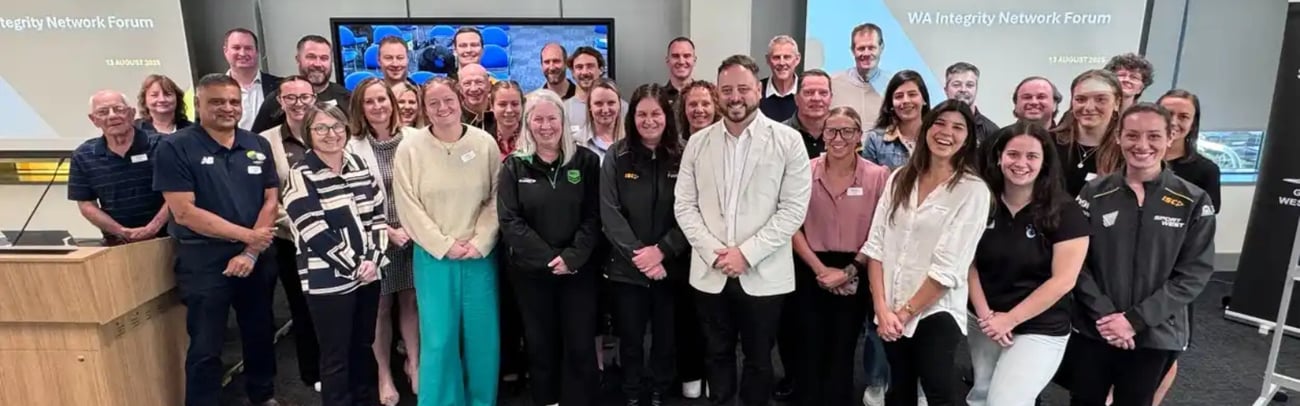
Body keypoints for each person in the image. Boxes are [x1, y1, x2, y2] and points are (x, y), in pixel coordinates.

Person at [673, 54, 812, 406]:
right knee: (716, 354)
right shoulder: (698, 143)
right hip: (710, 271)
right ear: (718, 93)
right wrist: (715, 253)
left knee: (759, 359)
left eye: (743, 89)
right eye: (727, 90)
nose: (735, 97)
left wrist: (746, 255)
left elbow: (792, 210)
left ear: (758, 91)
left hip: (764, 272)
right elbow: (684, 205)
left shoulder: (788, 140)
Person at [1066, 102, 1216, 406]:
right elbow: (1076, 262)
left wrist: (1134, 320)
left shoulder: (1193, 200)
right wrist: (1105, 314)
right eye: (1132, 135)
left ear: (1170, 137)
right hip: (1095, 327)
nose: (1142, 145)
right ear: (1118, 137)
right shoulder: (1094, 193)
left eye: (1154, 136)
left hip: (1155, 332)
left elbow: (1193, 273)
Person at [152, 73, 282, 406]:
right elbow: (184, 212)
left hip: (255, 259)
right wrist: (248, 237)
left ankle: (262, 396)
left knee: (260, 333)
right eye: (217, 102)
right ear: (198, 105)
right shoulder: (175, 147)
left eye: (234, 102)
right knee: (207, 344)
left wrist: (250, 251)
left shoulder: (257, 144)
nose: (227, 108)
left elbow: (271, 200)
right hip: (204, 261)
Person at [857, 100, 991, 406]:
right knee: (899, 388)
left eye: (958, 127)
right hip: (890, 305)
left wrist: (903, 314)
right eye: (940, 123)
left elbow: (949, 268)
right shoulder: (900, 178)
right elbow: (876, 245)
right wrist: (881, 309)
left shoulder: (973, 191)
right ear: (927, 128)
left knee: (938, 389)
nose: (946, 132)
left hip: (936, 309)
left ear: (968, 138)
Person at [393, 76, 502, 406]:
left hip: (478, 256)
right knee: (439, 339)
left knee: (482, 338)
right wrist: (443, 245)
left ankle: (481, 400)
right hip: (434, 258)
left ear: (460, 101)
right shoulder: (410, 149)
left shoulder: (484, 144)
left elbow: (497, 198)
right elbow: (408, 205)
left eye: (448, 100)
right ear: (424, 109)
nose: (442, 108)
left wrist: (480, 241)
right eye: (433, 103)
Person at [965, 122, 1088, 406]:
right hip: (984, 318)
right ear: (999, 157)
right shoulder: (982, 201)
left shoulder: (1065, 211)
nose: (1021, 163)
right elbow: (968, 263)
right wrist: (986, 317)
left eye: (1032, 156)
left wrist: (1009, 320)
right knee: (981, 394)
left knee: (1006, 401)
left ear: (1045, 162)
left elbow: (1064, 280)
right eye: (1013, 154)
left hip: (1039, 325)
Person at [497, 88, 603, 406]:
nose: (546, 126)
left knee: (580, 343)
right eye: (538, 119)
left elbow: (594, 216)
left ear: (563, 120)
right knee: (540, 344)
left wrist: (571, 258)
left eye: (552, 118)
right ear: (528, 123)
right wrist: (549, 258)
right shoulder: (515, 165)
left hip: (578, 271)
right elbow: (510, 221)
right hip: (531, 274)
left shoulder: (586, 161)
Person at [282, 103, 388, 406]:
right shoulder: (301, 174)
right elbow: (313, 230)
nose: (331, 134)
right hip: (327, 281)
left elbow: (378, 216)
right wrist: (355, 265)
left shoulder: (358, 165)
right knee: (335, 357)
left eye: (337, 126)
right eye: (321, 128)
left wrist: (373, 260)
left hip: (369, 275)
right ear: (309, 133)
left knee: (363, 348)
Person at [788, 106, 889, 406]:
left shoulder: (878, 176)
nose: (839, 138)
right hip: (809, 266)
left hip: (857, 267)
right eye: (832, 131)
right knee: (807, 345)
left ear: (859, 136)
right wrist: (821, 270)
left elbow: (881, 231)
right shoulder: (803, 171)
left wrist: (848, 272)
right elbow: (790, 224)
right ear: (823, 134)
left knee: (843, 348)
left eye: (847, 131)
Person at [600, 84, 690, 406]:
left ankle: (660, 389)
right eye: (641, 114)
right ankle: (631, 391)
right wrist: (641, 257)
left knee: (666, 337)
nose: (649, 121)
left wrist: (663, 251)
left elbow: (693, 212)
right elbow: (609, 213)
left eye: (656, 113)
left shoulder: (685, 154)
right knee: (630, 338)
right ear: (632, 117)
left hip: (671, 266)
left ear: (667, 116)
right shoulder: (617, 155)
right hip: (628, 269)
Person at [345, 77, 416, 406]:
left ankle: (415, 363)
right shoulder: (350, 146)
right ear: (360, 108)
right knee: (381, 308)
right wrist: (387, 231)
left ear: (392, 102)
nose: (377, 106)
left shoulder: (415, 138)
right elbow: (350, 200)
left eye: (382, 99)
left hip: (414, 235)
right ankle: (384, 374)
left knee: (411, 301)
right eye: (369, 101)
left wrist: (412, 228)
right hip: (374, 237)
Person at [1152, 89, 1221, 406]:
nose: (1175, 122)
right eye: (1168, 113)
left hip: (1174, 271)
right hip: (1128, 266)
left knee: (1167, 346)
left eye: (1184, 116)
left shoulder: (1204, 170)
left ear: (1194, 123)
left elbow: (1203, 227)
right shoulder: (1130, 158)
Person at [257, 75, 323, 392]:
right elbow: (267, 195)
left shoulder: (330, 129)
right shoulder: (265, 141)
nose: (299, 103)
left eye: (305, 96)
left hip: (334, 237)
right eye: (291, 98)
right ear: (280, 102)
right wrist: (301, 224)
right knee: (303, 306)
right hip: (291, 239)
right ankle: (313, 372)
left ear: (314, 98)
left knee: (335, 306)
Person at [71, 90, 169, 246]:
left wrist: (152, 228)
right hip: (117, 244)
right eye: (103, 112)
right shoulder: (83, 155)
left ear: (132, 113)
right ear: (93, 120)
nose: (112, 116)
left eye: (118, 109)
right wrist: (121, 231)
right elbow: (86, 205)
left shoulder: (165, 145)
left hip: (169, 239)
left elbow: (181, 192)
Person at [251, 35, 352, 133]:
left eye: (324, 58)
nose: (317, 64)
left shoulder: (347, 99)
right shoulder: (277, 99)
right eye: (311, 57)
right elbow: (256, 140)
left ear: (332, 61)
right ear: (298, 59)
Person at [1053, 70, 1124, 197]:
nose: (1089, 107)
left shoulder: (1126, 150)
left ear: (1117, 103)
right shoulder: (1048, 143)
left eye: (1100, 99)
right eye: (1081, 99)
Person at [862, 70, 931, 169]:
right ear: (891, 104)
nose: (906, 100)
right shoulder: (876, 139)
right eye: (899, 96)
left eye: (912, 94)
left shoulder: (936, 136)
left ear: (924, 99)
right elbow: (868, 177)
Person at [831, 23, 892, 128]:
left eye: (871, 48)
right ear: (853, 50)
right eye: (861, 48)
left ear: (881, 48)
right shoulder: (833, 83)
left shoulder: (893, 84)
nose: (866, 53)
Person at [222, 28, 281, 131]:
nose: (242, 53)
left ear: (257, 52)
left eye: (248, 48)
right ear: (225, 51)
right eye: (236, 48)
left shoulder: (280, 86)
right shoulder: (213, 90)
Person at [942, 62, 997, 143]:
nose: (963, 90)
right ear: (946, 90)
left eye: (969, 85)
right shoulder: (932, 123)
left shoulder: (991, 132)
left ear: (976, 89)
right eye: (956, 85)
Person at [759, 35, 802, 122]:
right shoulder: (756, 91)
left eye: (787, 57)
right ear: (768, 60)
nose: (782, 63)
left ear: (797, 59)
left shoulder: (806, 91)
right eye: (776, 57)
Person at [488, 80, 524, 158]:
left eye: (515, 104)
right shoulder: (483, 139)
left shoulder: (533, 138)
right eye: (502, 104)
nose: (509, 110)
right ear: (492, 106)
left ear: (522, 105)